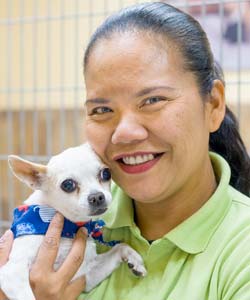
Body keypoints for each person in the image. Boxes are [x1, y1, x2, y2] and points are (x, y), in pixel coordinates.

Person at [1, 2, 250, 299]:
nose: (125, 132)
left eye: (153, 100)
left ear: (213, 106)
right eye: (102, 109)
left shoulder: (240, 251)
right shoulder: (67, 214)